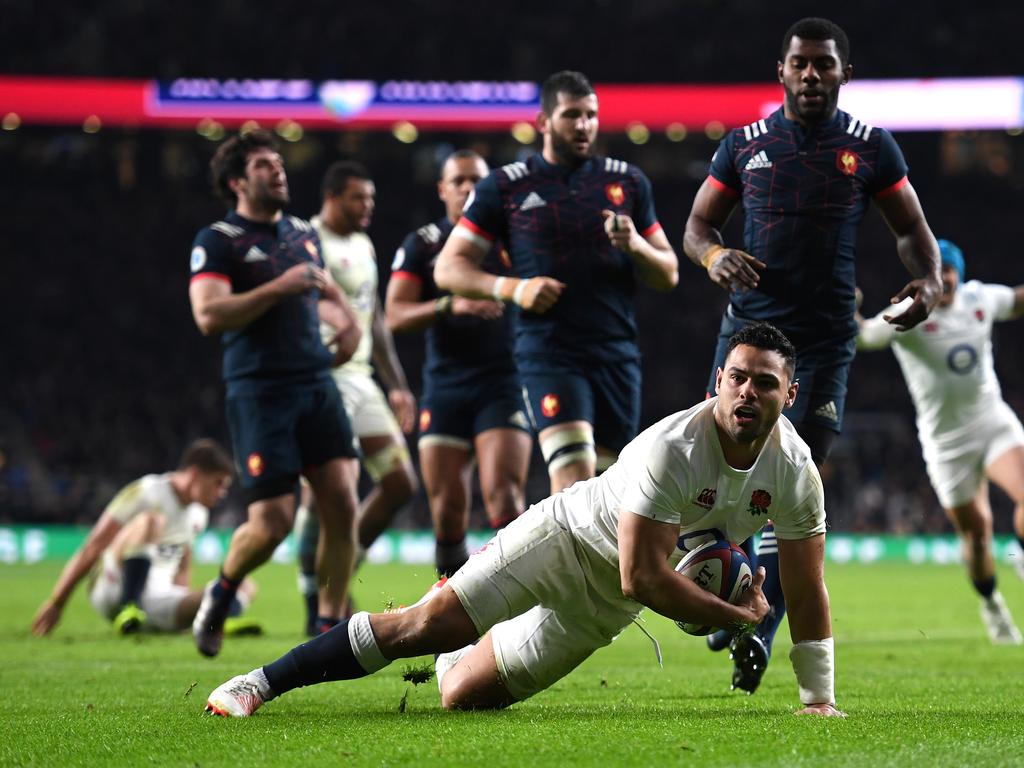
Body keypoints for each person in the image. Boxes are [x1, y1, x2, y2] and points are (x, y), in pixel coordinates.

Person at [204, 323, 844, 719]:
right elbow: (642, 578)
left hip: (605, 612)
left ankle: (463, 611)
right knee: (417, 629)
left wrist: (818, 698)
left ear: (790, 395)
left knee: (460, 697)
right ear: (717, 384)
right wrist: (733, 616)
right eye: (738, 378)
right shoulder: (671, 447)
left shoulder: (795, 471)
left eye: (765, 383)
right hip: (564, 541)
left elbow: (808, 587)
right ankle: (256, 684)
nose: (747, 393)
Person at [682, 17, 942, 692]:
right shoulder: (744, 145)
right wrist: (713, 255)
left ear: (842, 74)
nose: (811, 75)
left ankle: (758, 631)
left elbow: (913, 229)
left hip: (825, 340)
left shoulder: (870, 148)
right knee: (725, 466)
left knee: (801, 478)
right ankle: (732, 582)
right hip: (750, 333)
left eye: (824, 65)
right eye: (800, 64)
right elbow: (697, 225)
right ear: (782, 70)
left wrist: (932, 278)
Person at [434, 70, 678, 494]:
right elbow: (448, 269)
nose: (583, 125)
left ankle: (587, 562)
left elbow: (669, 273)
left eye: (591, 115)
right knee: (573, 477)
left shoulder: (628, 182)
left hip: (616, 353)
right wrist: (513, 288)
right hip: (549, 351)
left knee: (611, 490)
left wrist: (635, 245)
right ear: (543, 122)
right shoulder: (505, 186)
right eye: (571, 115)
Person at [188, 129, 363, 656]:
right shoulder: (218, 239)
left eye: (280, 162)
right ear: (238, 181)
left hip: (315, 384)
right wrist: (278, 288)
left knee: (343, 505)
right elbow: (208, 314)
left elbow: (324, 293)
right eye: (265, 164)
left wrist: (348, 321)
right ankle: (220, 593)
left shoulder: (300, 235)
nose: (279, 170)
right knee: (272, 525)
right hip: (261, 392)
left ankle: (327, 626)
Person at [858, 239, 1024, 644]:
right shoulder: (906, 313)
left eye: (949, 269)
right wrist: (848, 308)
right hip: (945, 444)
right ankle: (991, 604)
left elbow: (1018, 301)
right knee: (978, 533)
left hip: (992, 422)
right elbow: (864, 336)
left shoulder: (980, 299)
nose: (945, 277)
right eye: (937, 270)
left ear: (958, 273)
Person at [386, 149, 532, 578]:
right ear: (442, 189)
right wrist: (451, 305)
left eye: (476, 181)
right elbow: (395, 314)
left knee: (503, 499)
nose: (469, 188)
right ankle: (449, 622)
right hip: (445, 386)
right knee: (448, 512)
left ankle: (513, 613)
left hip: (502, 382)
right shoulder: (424, 243)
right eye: (459, 181)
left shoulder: (511, 239)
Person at [293, 161, 419, 635]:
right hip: (325, 378)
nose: (367, 207)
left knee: (400, 483)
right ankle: (318, 597)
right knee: (328, 495)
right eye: (357, 199)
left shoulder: (364, 244)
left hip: (362, 379)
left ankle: (337, 572)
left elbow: (377, 319)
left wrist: (397, 383)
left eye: (371, 199)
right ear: (332, 196)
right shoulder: (307, 239)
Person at [30, 439, 258, 636]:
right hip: (113, 585)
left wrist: (182, 599)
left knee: (243, 585)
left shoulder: (199, 513)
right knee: (151, 521)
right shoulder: (147, 491)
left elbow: (182, 563)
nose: (221, 492)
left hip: (158, 597)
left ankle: (216, 624)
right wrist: (57, 602)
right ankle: (129, 605)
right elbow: (94, 545)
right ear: (195, 474)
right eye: (217, 483)